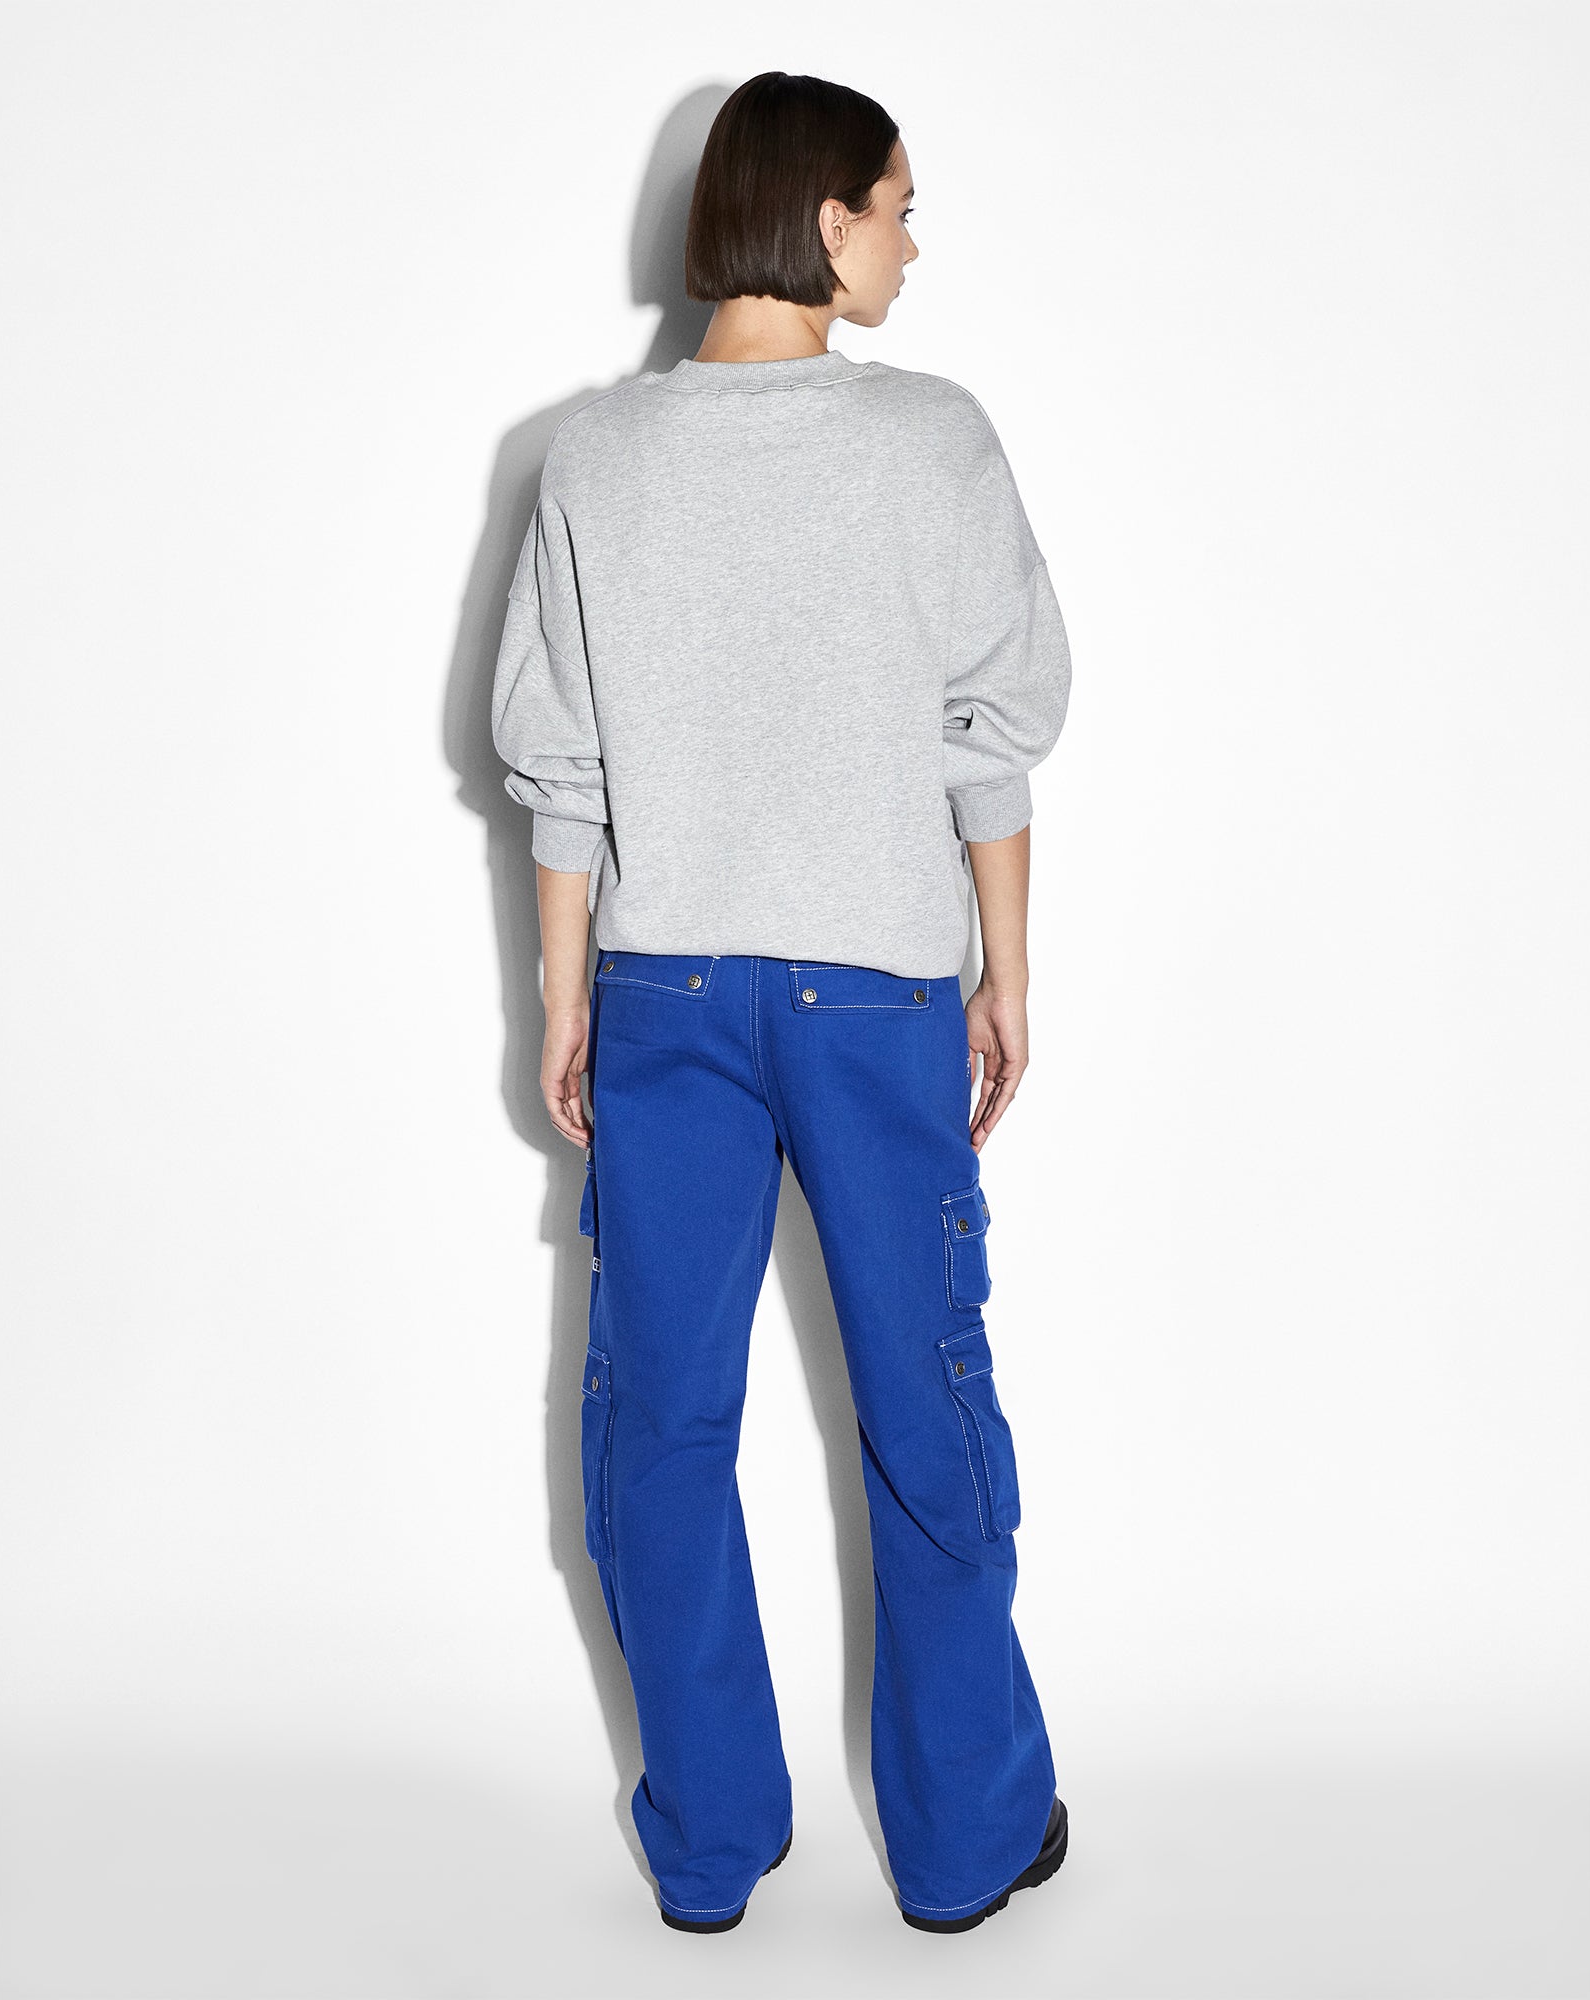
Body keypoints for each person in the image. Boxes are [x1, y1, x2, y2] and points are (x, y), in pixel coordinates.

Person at [491, 69, 1073, 1935]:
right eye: (899, 206)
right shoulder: (932, 439)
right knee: (925, 1407)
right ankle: (968, 1844)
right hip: (878, 1000)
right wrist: (1005, 970)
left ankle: (711, 1845)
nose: (911, 241)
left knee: (657, 1426)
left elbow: (561, 772)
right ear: (825, 221)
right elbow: (992, 732)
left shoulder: (592, 455)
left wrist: (564, 1001)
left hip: (660, 994)